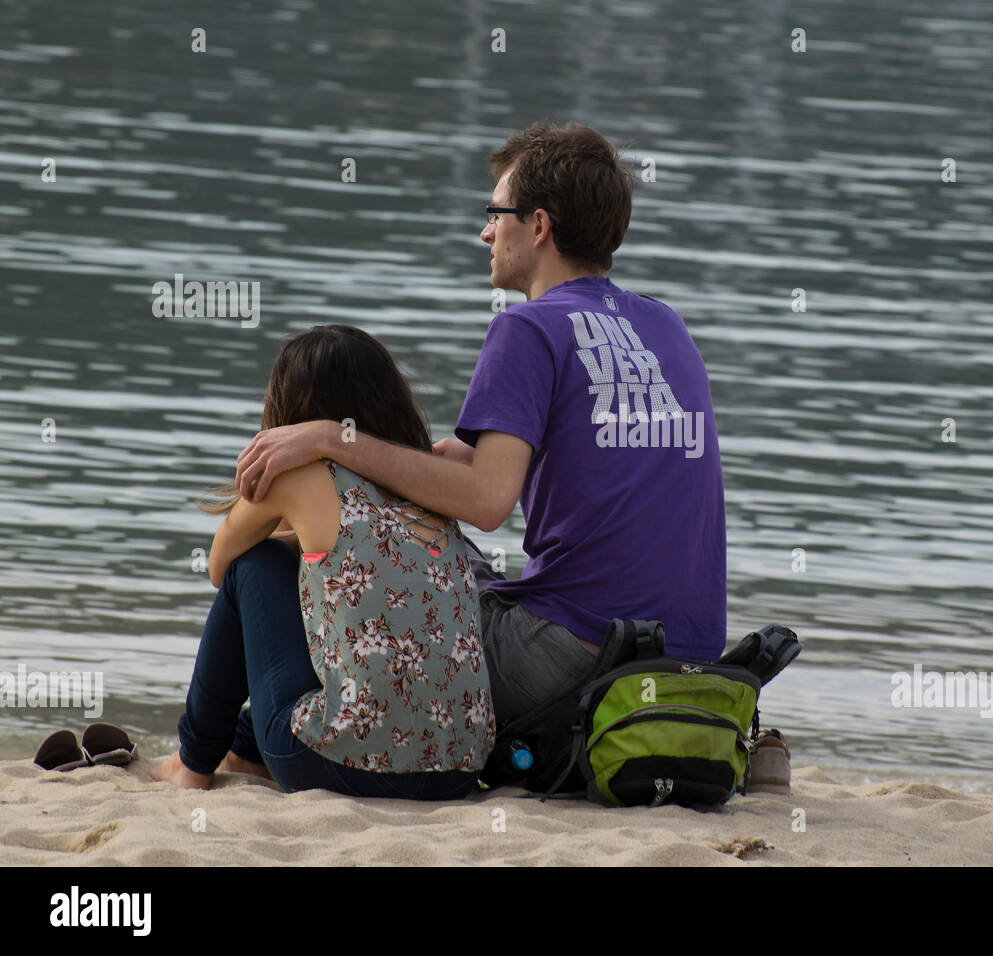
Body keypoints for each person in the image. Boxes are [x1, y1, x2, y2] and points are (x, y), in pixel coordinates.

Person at [233, 120, 727, 729]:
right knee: (430, 543)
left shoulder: (528, 328)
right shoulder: (665, 326)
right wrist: (430, 460)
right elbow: (528, 462)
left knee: (366, 562)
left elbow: (487, 501)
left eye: (496, 213)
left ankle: (253, 737)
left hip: (578, 658)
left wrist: (333, 438)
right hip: (690, 664)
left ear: (539, 225)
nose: (485, 231)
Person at [153, 325, 493, 798]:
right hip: (457, 770)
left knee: (254, 566)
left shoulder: (301, 475)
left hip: (340, 766)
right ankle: (245, 752)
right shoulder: (427, 481)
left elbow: (219, 565)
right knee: (339, 608)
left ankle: (192, 764)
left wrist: (286, 532)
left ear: (292, 417)